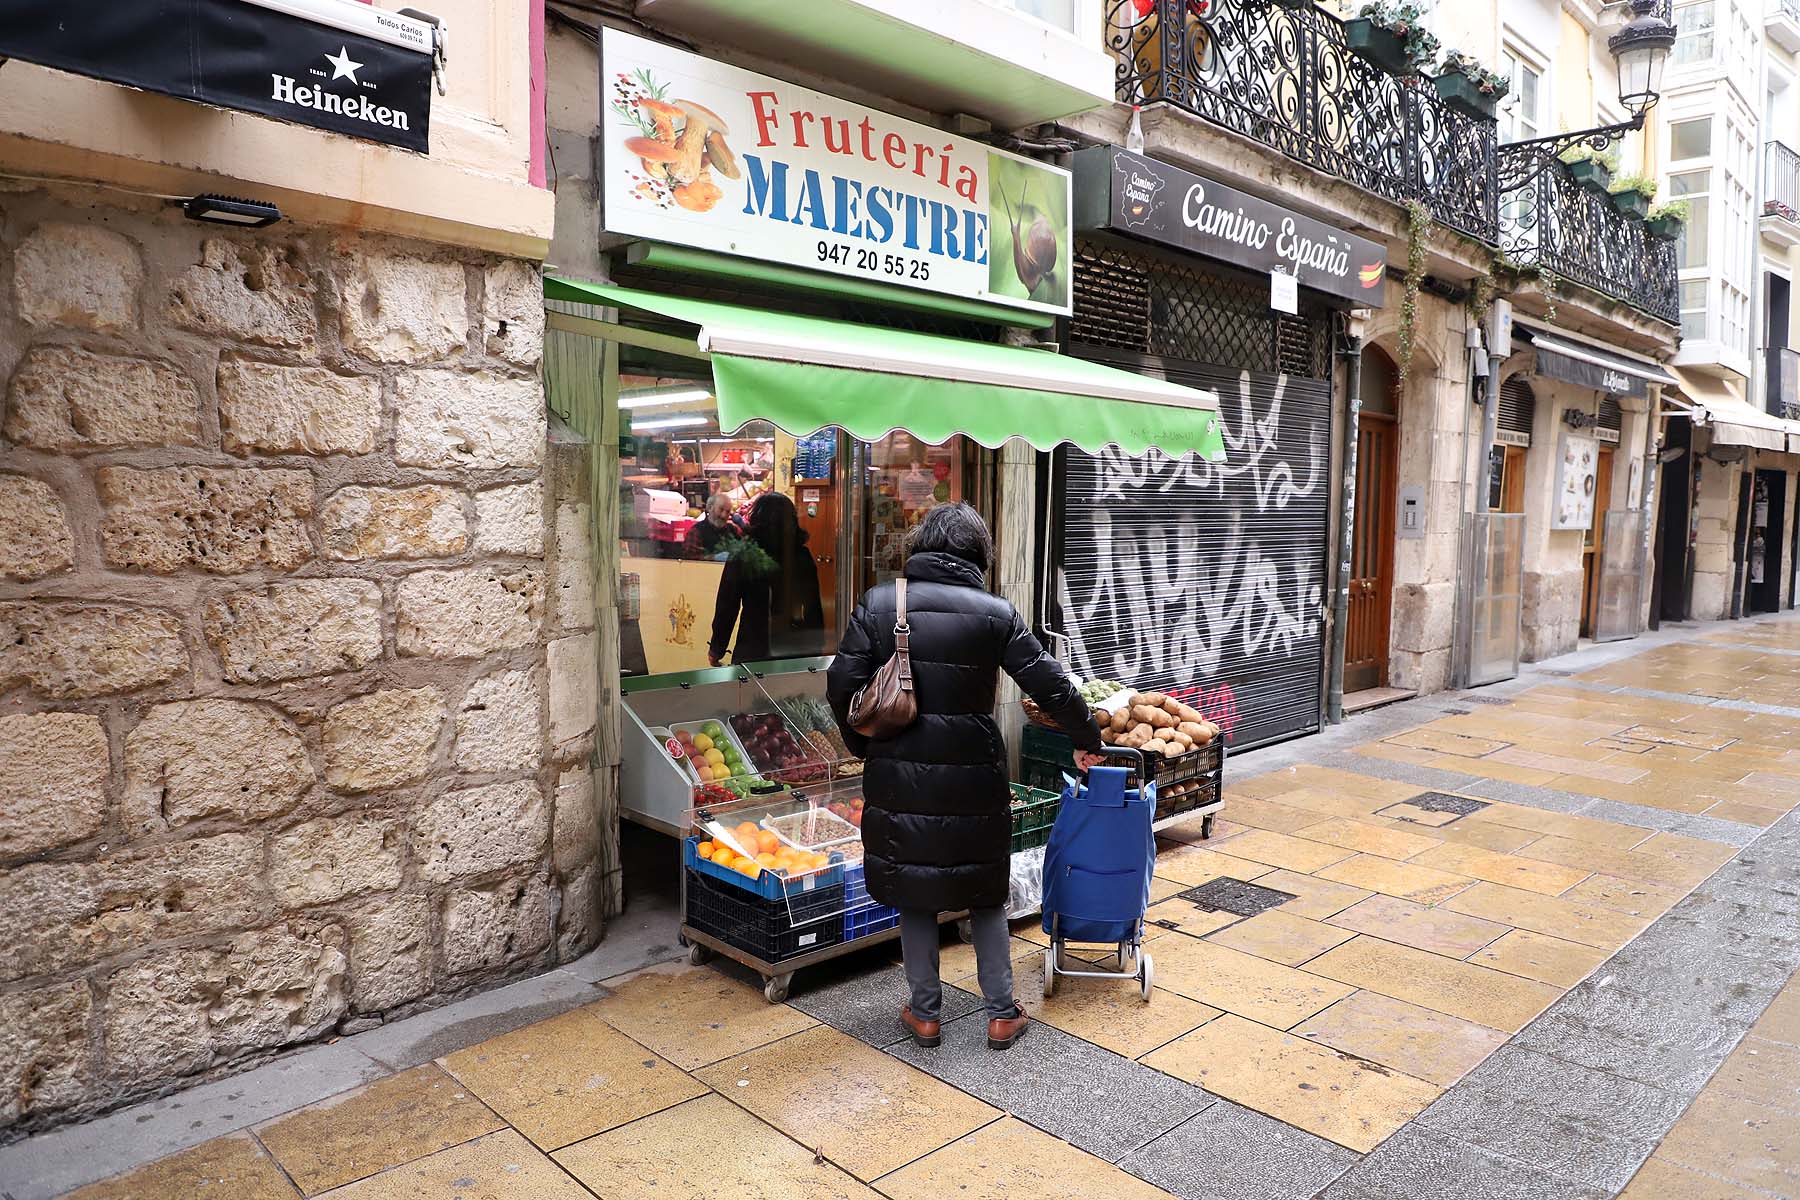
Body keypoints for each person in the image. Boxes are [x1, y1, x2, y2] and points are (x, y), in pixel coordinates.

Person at [826, 502, 1104, 1052]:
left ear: (922, 544)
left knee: (916, 891)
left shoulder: (882, 604)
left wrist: (867, 742)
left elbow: (841, 683)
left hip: (900, 770)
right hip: (974, 771)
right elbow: (1051, 684)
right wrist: (1087, 736)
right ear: (978, 552)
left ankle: (925, 1013)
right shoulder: (995, 613)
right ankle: (1002, 1013)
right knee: (984, 890)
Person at [708, 491, 825, 666]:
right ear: (791, 520)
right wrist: (816, 646)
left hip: (752, 647)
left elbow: (727, 604)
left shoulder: (744, 553)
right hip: (793, 648)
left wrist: (717, 648)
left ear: (756, 518)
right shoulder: (801, 555)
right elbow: (812, 605)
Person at [684, 492, 739, 559]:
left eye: (727, 512)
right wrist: (713, 558)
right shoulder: (696, 531)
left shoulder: (733, 530)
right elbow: (690, 559)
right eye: (721, 509)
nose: (723, 515)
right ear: (710, 508)